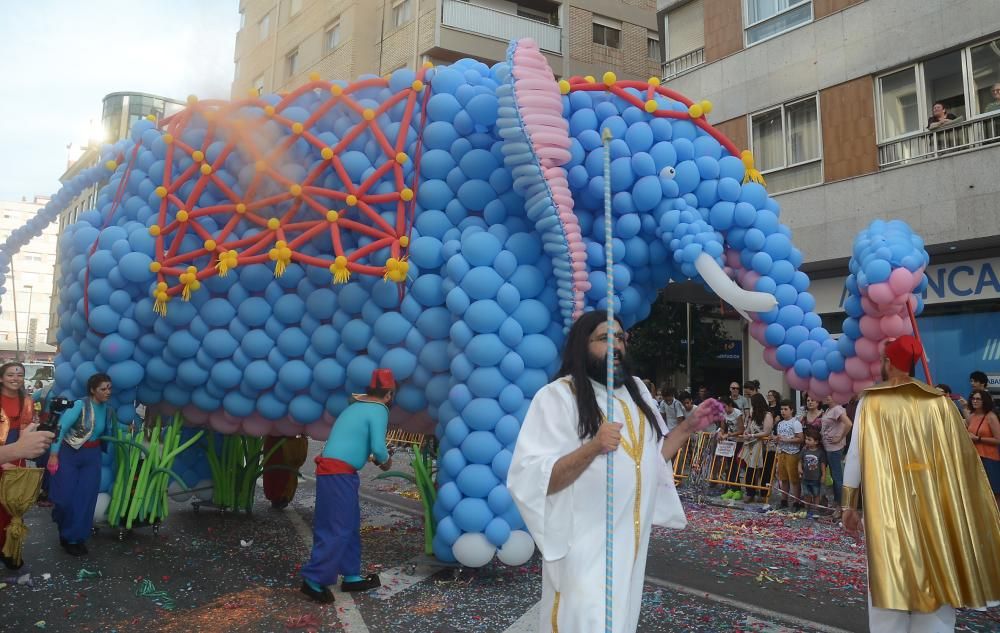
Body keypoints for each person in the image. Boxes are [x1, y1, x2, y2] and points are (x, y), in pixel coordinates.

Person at [508, 311, 718, 633]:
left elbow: (651, 459)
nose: (616, 345)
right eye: (605, 338)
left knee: (618, 623)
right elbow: (534, 479)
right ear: (582, 345)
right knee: (582, 622)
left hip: (630, 544)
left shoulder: (636, 392)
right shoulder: (558, 396)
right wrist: (592, 447)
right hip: (581, 547)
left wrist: (688, 428)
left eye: (620, 337)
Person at [842, 335, 1000, 631]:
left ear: (888, 362)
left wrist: (848, 505)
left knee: (890, 579)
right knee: (936, 570)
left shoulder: (871, 401)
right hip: (934, 502)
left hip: (887, 504)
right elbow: (959, 458)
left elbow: (855, 457)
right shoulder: (940, 403)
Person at [300, 368, 396, 604]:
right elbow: (378, 448)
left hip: (338, 473)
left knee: (349, 524)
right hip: (338, 473)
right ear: (389, 394)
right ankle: (313, 579)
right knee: (337, 527)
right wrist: (386, 461)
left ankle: (351, 575)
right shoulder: (378, 409)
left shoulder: (354, 407)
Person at [47, 373, 119, 556]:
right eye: (103, 388)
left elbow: (106, 432)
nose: (107, 392)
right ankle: (63, 525)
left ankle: (75, 538)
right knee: (65, 498)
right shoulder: (80, 405)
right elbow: (60, 428)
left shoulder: (108, 410)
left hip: (92, 456)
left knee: (86, 498)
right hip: (68, 453)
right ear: (93, 390)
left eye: (109, 388)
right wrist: (54, 455)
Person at [736, 393, 773, 503]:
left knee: (765, 471)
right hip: (752, 446)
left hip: (764, 447)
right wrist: (747, 432)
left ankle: (763, 493)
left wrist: (752, 435)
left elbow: (766, 432)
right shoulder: (754, 415)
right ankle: (750, 492)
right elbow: (749, 427)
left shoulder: (767, 415)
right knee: (750, 470)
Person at [819, 394, 852, 518]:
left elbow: (848, 423)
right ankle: (836, 504)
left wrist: (840, 437)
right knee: (833, 477)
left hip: (835, 449)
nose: (826, 397)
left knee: (837, 479)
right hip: (828, 447)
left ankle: (841, 507)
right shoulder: (829, 410)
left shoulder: (838, 409)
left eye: (830, 395)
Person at [967, 388, 1000, 508]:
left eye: (978, 399)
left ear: (984, 401)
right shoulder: (971, 416)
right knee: (979, 491)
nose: (975, 401)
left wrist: (978, 439)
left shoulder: (990, 417)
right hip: (976, 458)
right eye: (973, 398)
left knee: (994, 491)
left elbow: (998, 440)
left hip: (990, 458)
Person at [262, 434, 309, 510]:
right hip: (281, 441)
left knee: (279, 471)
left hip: (279, 440)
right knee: (280, 471)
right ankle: (280, 497)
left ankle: (279, 497)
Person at [772, 399, 804, 510]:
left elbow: (800, 439)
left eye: (786, 409)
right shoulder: (780, 423)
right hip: (782, 453)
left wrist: (787, 440)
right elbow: (779, 437)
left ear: (791, 410)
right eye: (781, 409)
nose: (783, 411)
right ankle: (784, 500)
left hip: (792, 454)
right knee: (783, 478)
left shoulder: (796, 423)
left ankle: (796, 502)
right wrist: (776, 439)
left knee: (794, 479)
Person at [717, 396, 744, 500]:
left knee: (735, 466)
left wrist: (729, 434)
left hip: (738, 442)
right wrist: (720, 433)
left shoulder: (737, 413)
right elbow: (723, 427)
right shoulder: (723, 414)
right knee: (729, 465)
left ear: (730, 405)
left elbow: (741, 430)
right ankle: (731, 488)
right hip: (729, 443)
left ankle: (738, 489)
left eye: (724, 407)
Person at [798, 429, 826, 517]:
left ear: (816, 441)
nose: (807, 441)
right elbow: (800, 461)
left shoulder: (820, 452)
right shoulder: (804, 450)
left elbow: (822, 464)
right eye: (806, 439)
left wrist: (823, 475)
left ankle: (816, 509)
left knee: (816, 494)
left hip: (816, 478)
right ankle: (807, 508)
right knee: (806, 494)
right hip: (805, 477)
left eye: (809, 439)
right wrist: (799, 469)